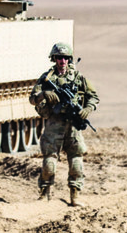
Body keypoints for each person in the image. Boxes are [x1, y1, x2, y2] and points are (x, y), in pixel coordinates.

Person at [29, 42, 99, 207]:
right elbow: (32, 98)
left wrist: (87, 109)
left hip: (73, 123)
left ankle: (75, 195)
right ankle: (44, 194)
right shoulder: (47, 78)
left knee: (76, 160)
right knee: (50, 161)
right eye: (59, 58)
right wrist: (43, 94)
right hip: (55, 123)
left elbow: (93, 96)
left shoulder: (78, 78)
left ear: (69, 59)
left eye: (66, 58)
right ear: (54, 59)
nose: (62, 61)